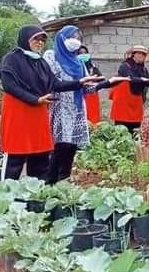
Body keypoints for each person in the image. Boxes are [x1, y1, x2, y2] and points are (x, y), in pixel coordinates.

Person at [0, 25, 100, 181]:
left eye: (42, 40)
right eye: (36, 39)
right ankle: (5, 198)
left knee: (40, 156)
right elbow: (9, 85)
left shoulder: (40, 62)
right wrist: (35, 99)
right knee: (16, 156)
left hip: (38, 114)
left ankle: (37, 196)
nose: (39, 43)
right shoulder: (12, 59)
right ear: (25, 39)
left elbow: (55, 84)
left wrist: (80, 82)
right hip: (18, 113)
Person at [43, 26, 124, 184]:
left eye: (79, 39)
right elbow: (53, 84)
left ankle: (64, 180)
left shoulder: (78, 63)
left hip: (78, 108)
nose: (76, 41)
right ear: (62, 38)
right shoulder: (51, 56)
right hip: (60, 106)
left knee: (72, 146)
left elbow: (88, 88)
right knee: (61, 146)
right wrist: (79, 82)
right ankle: (50, 182)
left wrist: (108, 82)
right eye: (72, 37)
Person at [110, 45, 149, 133]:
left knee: (135, 128)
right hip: (123, 101)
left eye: (143, 54)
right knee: (121, 129)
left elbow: (147, 83)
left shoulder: (144, 69)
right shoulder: (124, 66)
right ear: (133, 54)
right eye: (139, 53)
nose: (141, 56)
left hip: (136, 100)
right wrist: (147, 81)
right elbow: (132, 78)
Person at [77, 45, 103, 124]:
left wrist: (94, 80)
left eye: (85, 53)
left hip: (92, 95)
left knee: (93, 117)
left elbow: (101, 78)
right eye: (80, 53)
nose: (83, 55)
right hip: (81, 95)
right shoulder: (75, 68)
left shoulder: (92, 67)